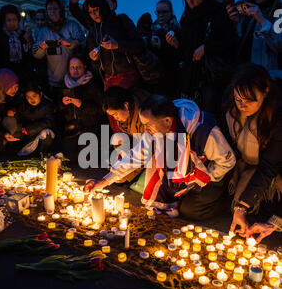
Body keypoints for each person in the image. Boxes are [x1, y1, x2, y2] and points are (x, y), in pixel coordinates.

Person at [85, 94, 236, 220]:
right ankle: (183, 191)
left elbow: (227, 161)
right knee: (168, 195)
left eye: (148, 125)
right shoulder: (155, 131)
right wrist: (103, 181)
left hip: (210, 175)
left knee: (190, 211)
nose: (145, 130)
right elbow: (136, 157)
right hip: (184, 176)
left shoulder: (203, 132)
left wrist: (203, 178)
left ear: (168, 121)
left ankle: (225, 203)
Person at [225, 64, 282, 242]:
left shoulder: (277, 119)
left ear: (265, 92)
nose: (242, 105)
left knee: (266, 209)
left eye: (249, 100)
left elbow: (269, 166)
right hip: (245, 168)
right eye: (238, 99)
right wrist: (241, 208)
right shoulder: (232, 112)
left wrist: (242, 207)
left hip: (274, 172)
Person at [174, 0, 237, 115]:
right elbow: (185, 49)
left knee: (209, 117)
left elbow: (229, 41)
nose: (190, 2)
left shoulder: (217, 12)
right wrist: (175, 43)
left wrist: (207, 48)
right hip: (190, 77)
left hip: (211, 78)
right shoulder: (186, 18)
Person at [226, 0, 282, 73]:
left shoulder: (279, 12)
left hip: (270, 80)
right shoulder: (249, 16)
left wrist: (261, 20)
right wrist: (236, 23)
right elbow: (239, 50)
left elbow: (279, 45)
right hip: (246, 78)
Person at [33, 0, 85, 99]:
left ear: (61, 10)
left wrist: (70, 44)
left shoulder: (72, 26)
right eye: (50, 9)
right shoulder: (44, 31)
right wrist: (41, 48)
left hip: (73, 80)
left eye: (55, 8)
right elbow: (36, 54)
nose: (53, 12)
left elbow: (83, 43)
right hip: (52, 81)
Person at [102, 85, 149, 183]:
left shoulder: (143, 118)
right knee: (118, 138)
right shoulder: (129, 111)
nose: (115, 118)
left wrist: (125, 175)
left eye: (115, 114)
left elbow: (143, 152)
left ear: (126, 105)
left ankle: (134, 176)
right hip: (136, 146)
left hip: (152, 153)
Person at [58, 52, 106, 142]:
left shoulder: (92, 83)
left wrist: (82, 105)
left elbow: (102, 109)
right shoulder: (64, 85)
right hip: (71, 130)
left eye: (78, 67)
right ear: (68, 69)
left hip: (92, 128)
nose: (75, 70)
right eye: (72, 67)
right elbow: (59, 110)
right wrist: (63, 104)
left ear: (84, 67)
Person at [3, 80, 56, 157]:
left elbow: (49, 122)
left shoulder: (47, 106)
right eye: (28, 97)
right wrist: (13, 112)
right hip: (26, 133)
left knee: (46, 134)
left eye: (34, 96)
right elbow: (20, 116)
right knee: (13, 131)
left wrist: (30, 129)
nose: (32, 99)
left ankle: (42, 154)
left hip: (38, 131)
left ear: (40, 94)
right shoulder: (24, 105)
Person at [0, 5, 32, 77]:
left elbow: (28, 54)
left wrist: (28, 42)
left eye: (15, 20)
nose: (12, 23)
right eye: (9, 20)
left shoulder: (23, 35)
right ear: (4, 21)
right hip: (4, 72)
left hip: (21, 72)